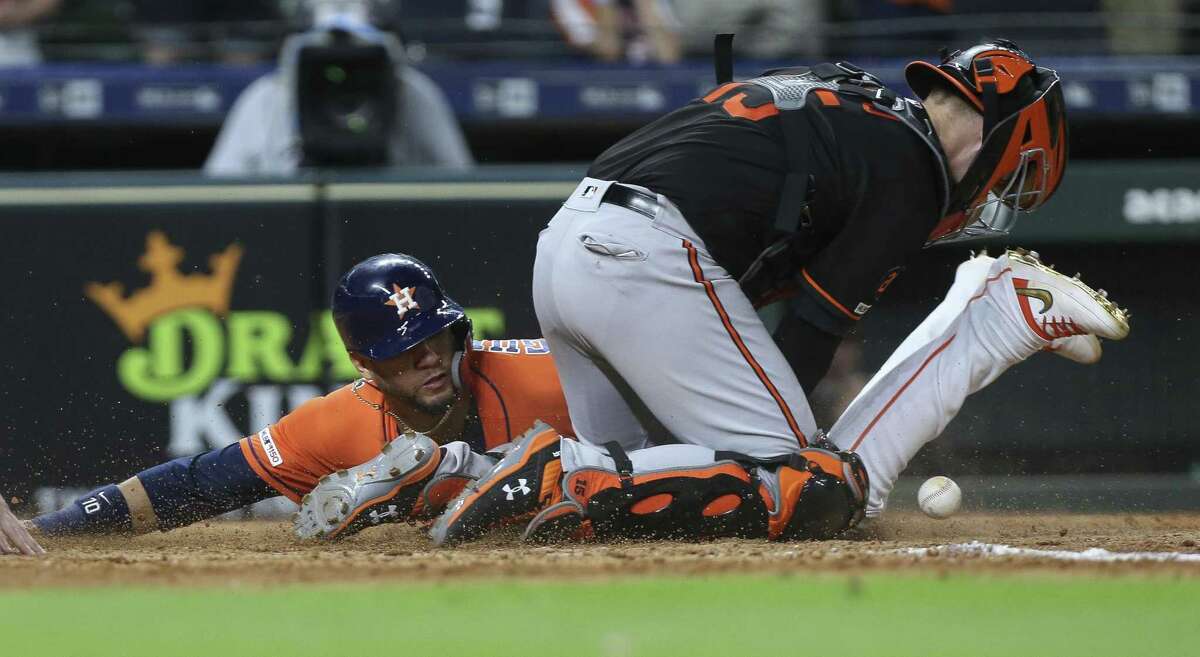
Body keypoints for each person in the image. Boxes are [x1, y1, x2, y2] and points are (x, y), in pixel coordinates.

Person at [423, 40, 1127, 545]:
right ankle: (995, 311)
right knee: (812, 484)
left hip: (567, 247)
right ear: (1002, 138)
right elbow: (811, 331)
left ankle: (443, 471)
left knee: (634, 499)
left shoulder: (851, 96)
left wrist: (723, 438)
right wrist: (798, 454)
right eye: (1011, 176)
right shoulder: (913, 166)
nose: (994, 198)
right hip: (645, 259)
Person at [1, 254, 570, 549]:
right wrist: (45, 530)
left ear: (458, 332)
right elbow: (196, 485)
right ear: (362, 364)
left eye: (433, 338)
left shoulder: (550, 372)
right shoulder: (336, 424)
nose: (425, 358)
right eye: (401, 350)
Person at [204, 3, 473, 176]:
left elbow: (463, 195)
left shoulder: (413, 91)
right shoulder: (266, 97)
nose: (342, 64)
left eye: (357, 49)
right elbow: (221, 199)